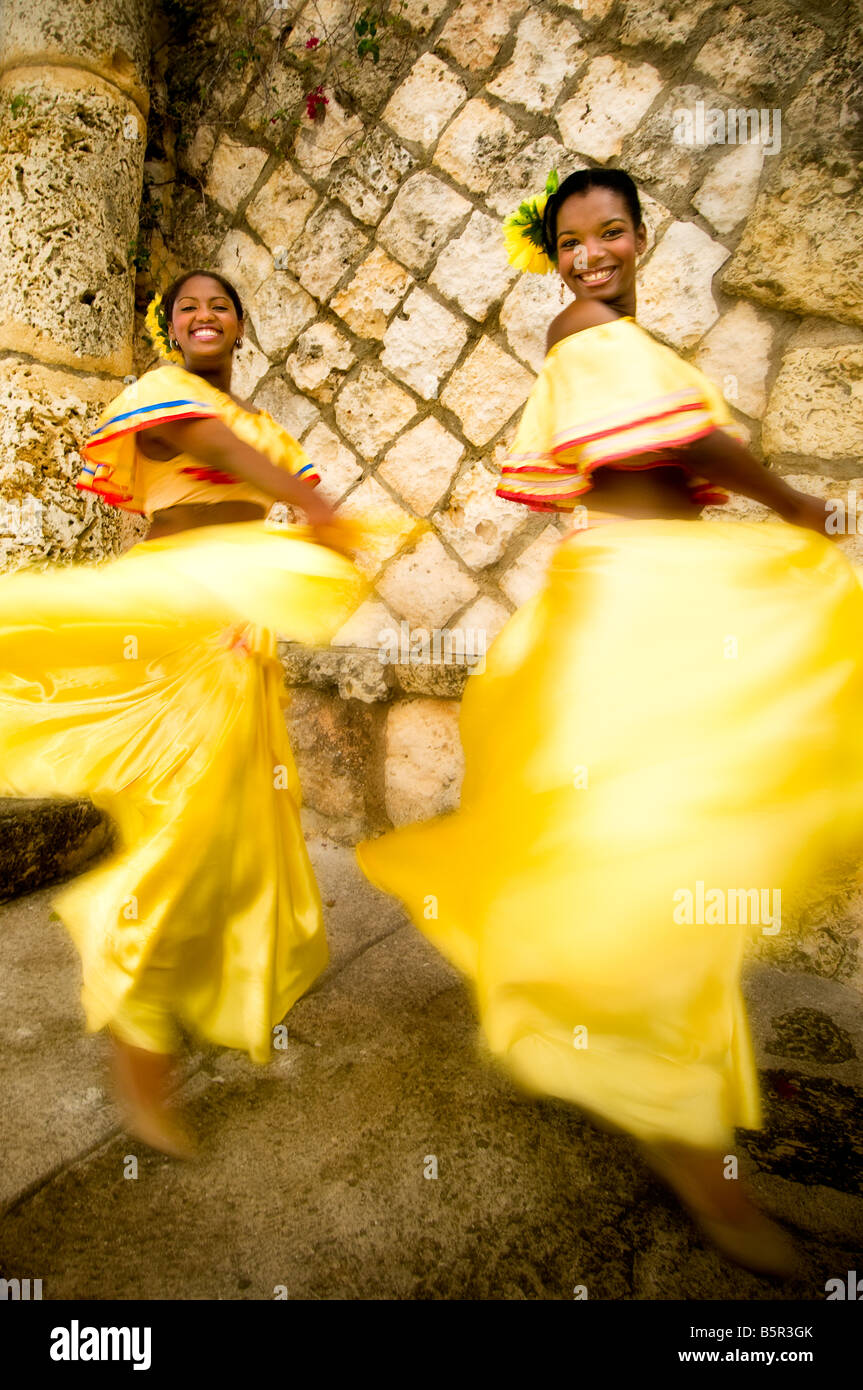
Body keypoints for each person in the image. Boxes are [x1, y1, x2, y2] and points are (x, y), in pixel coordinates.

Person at [356, 170, 863, 1276]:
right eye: (570, 238)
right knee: (658, 863)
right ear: (553, 258)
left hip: (636, 588)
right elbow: (690, 447)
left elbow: (657, 455)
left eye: (609, 231)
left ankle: (643, 1064)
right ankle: (698, 1165)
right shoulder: (585, 328)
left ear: (640, 237)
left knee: (667, 850)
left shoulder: (616, 339)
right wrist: (800, 506)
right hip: (639, 599)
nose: (589, 252)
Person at [0, 270, 373, 1158]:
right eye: (186, 308)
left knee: (238, 834)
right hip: (176, 634)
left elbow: (264, 500)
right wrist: (311, 502)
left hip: (241, 645)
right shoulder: (163, 395)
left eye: (220, 304)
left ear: (243, 325)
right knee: (180, 839)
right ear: (170, 331)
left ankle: (195, 995)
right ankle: (138, 1064)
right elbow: (208, 443)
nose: (203, 315)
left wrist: (291, 531)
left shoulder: (268, 430)